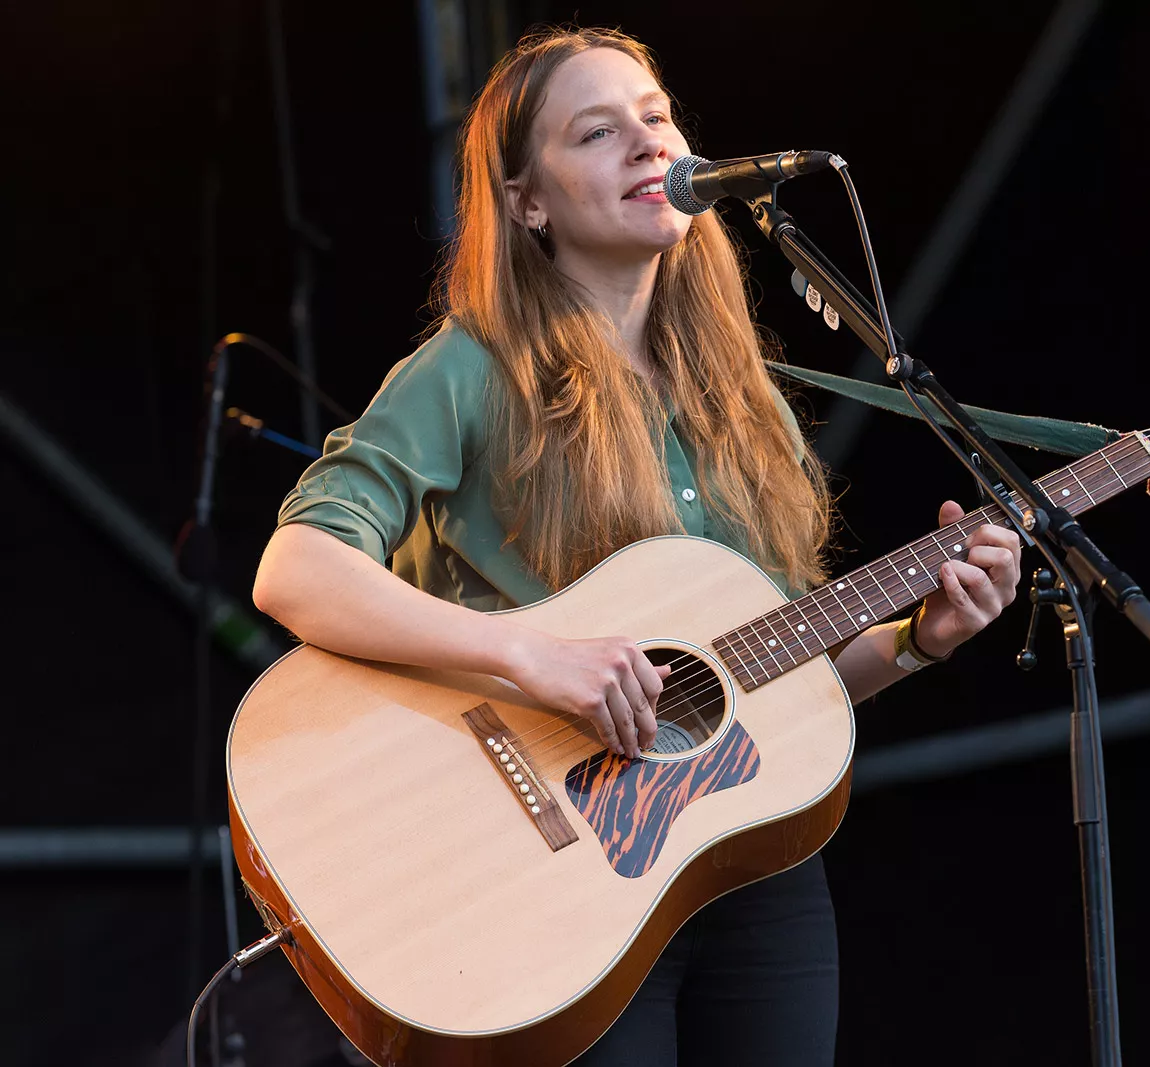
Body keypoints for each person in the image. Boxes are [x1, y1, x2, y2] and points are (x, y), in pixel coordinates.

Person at [250, 25, 1022, 1066]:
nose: (648, 143)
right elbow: (294, 566)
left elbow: (767, 676)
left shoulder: (744, 406)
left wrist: (919, 638)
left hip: (748, 870)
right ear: (528, 202)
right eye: (597, 131)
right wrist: (534, 657)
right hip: (545, 875)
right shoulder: (472, 369)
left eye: (656, 117)